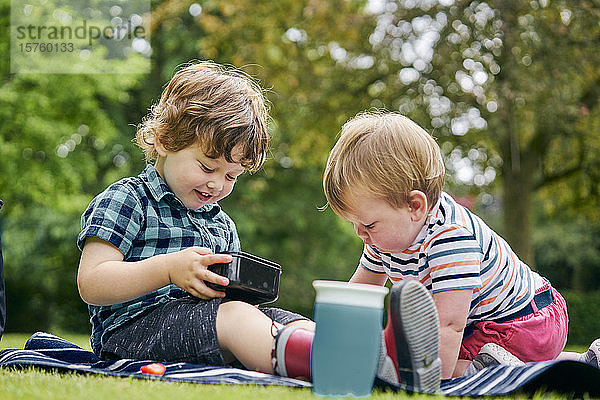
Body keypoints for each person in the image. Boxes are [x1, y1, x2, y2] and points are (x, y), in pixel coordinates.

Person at [77, 61, 316, 374]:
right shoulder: (128, 199)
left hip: (206, 323)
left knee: (287, 319)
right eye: (206, 167)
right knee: (236, 319)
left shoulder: (221, 224)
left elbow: (230, 302)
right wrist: (169, 270)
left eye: (232, 175)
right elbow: (91, 282)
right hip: (132, 332)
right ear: (164, 141)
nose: (217, 184)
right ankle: (317, 365)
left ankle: (354, 355)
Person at [321, 110, 600, 379]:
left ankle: (502, 371)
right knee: (417, 356)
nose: (360, 233)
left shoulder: (449, 238)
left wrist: (429, 381)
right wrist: (332, 341)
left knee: (439, 368)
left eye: (368, 224)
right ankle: (585, 365)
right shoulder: (382, 240)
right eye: (353, 223)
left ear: (415, 206)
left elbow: (449, 326)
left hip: (525, 321)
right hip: (486, 326)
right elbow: (357, 295)